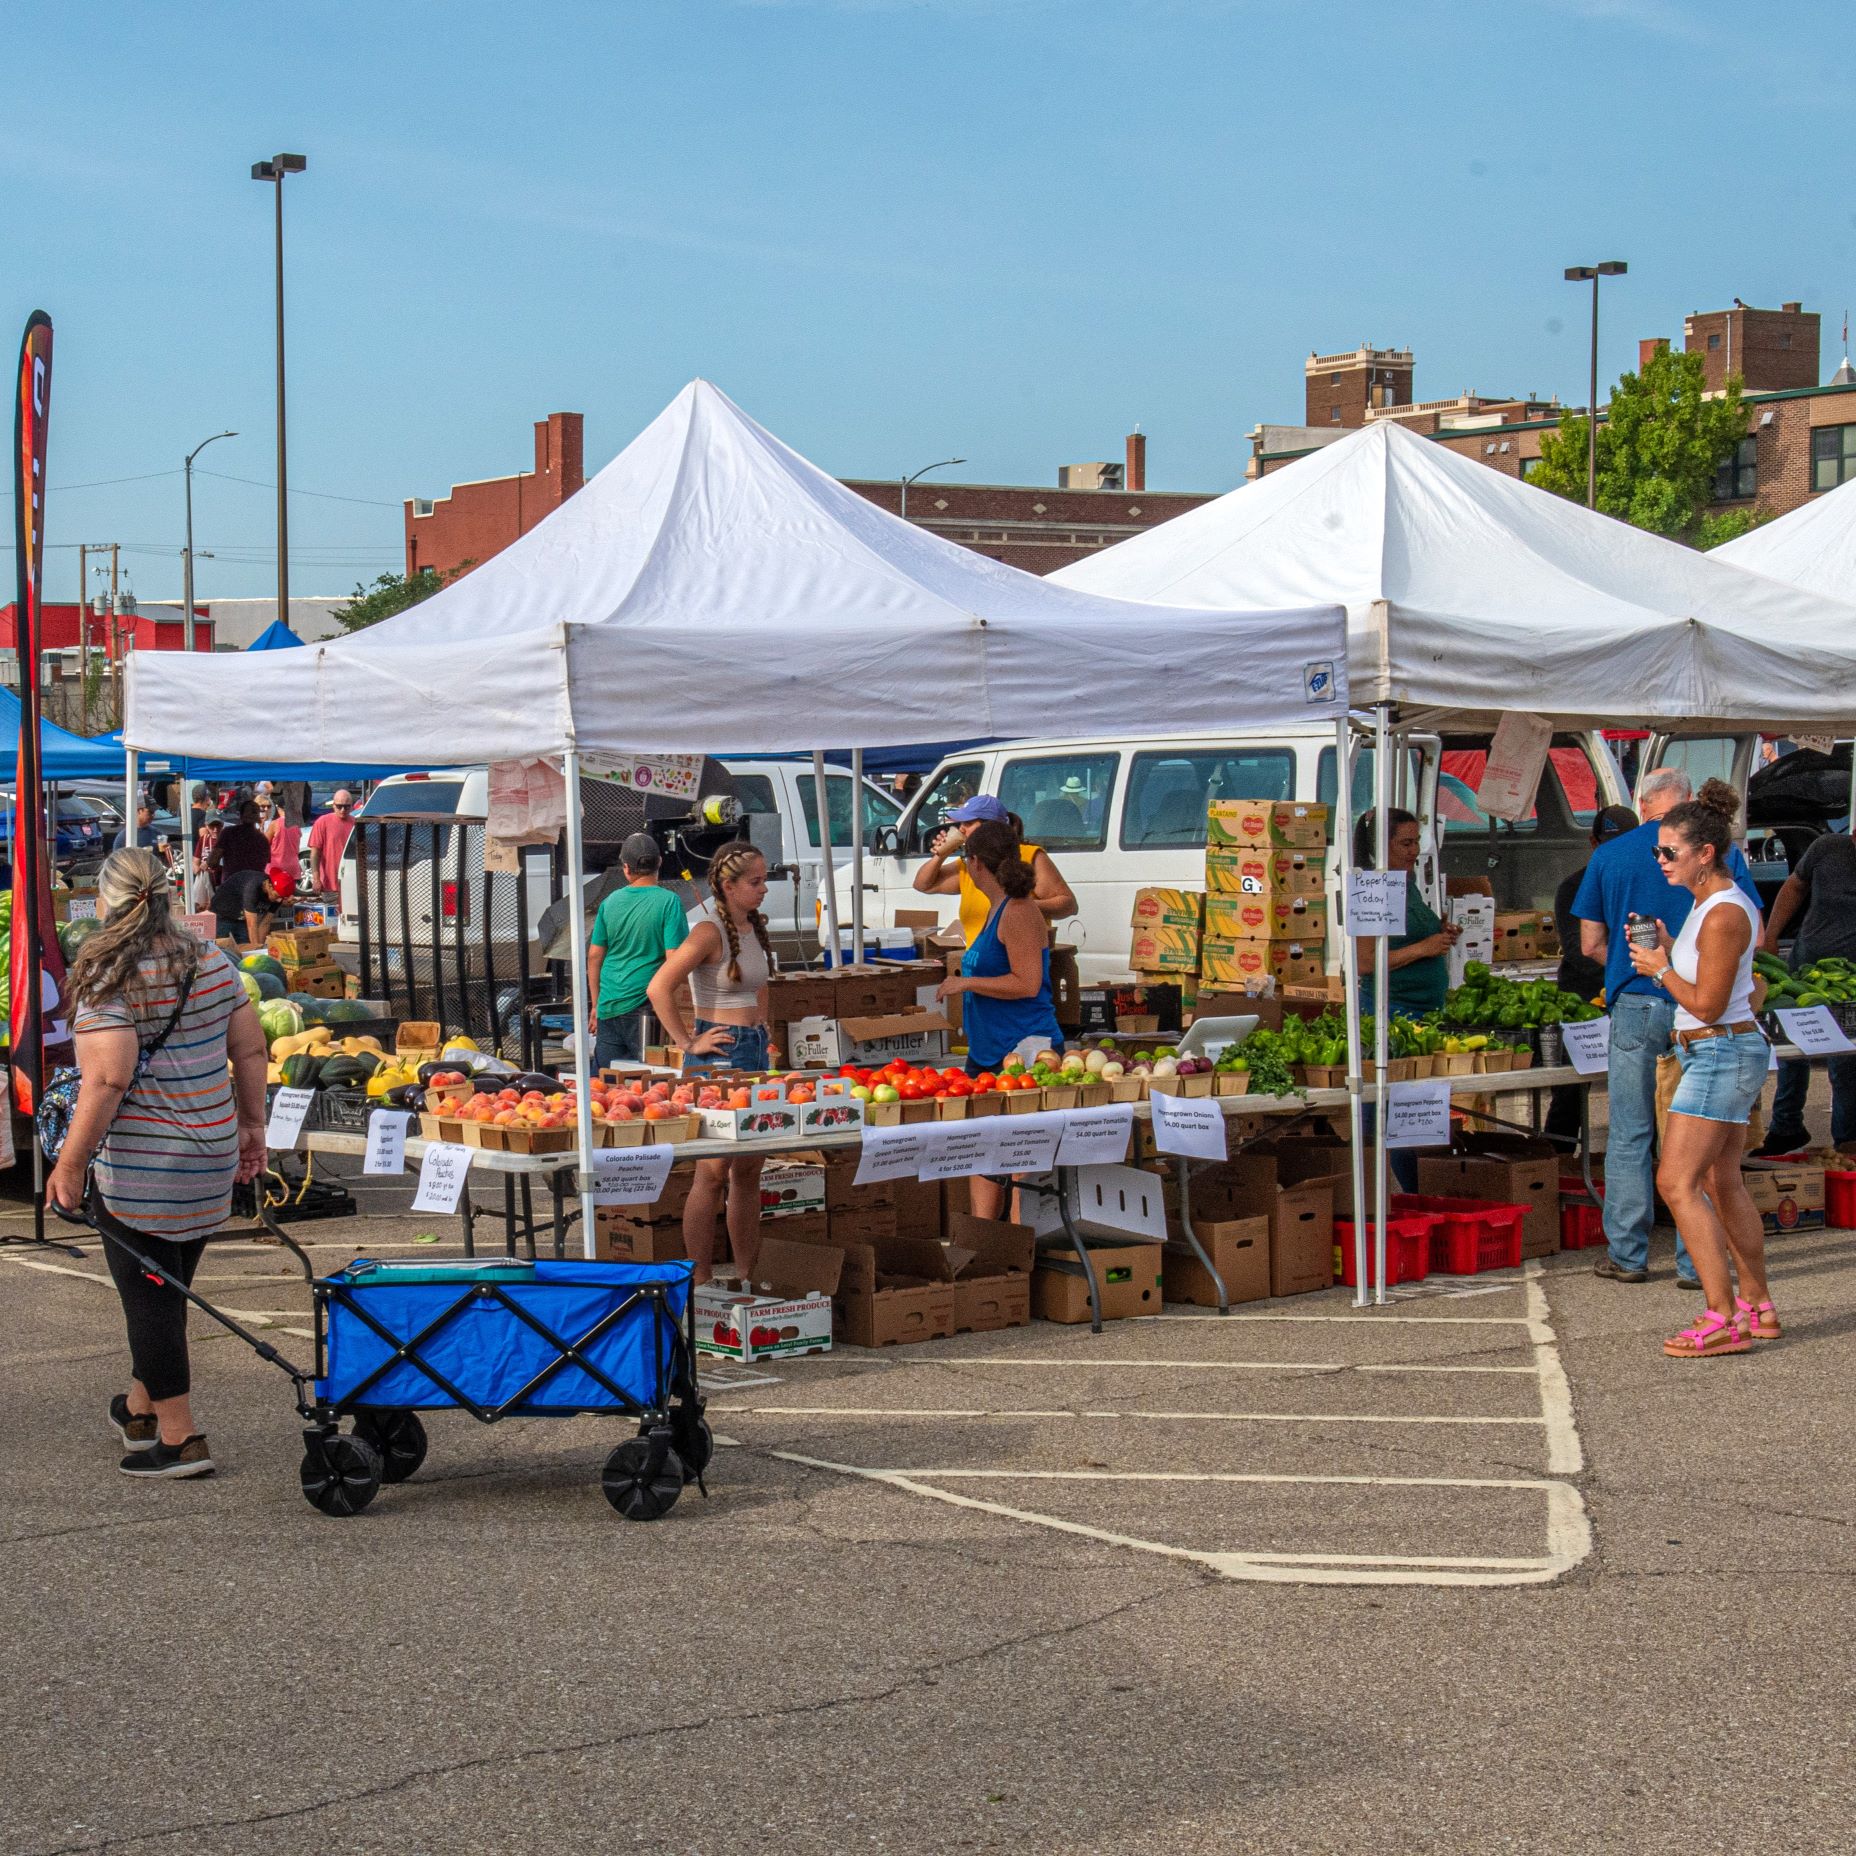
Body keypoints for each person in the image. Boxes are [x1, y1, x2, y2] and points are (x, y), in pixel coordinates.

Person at [47, 847, 267, 1478]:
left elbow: (108, 1080)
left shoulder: (105, 976)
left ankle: (180, 1438)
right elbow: (250, 1049)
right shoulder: (210, 960)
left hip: (146, 1164)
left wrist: (69, 1164)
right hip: (211, 1153)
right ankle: (140, 1407)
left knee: (149, 1300)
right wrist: (252, 1127)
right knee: (166, 1285)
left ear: (107, 901)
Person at [1573, 767, 1763, 1287]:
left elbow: (1591, 942)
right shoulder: (1725, 866)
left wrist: (1648, 965)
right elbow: (1759, 939)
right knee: (1699, 1157)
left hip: (1641, 1003)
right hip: (1696, 1014)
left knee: (1634, 1134)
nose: (1660, 858)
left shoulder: (1610, 855)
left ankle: (1628, 1254)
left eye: (1666, 850)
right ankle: (1692, 1264)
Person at [1628, 783, 1777, 1355]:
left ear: (1705, 853)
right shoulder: (1709, 906)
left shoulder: (1722, 913)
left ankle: (1721, 1316)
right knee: (1721, 1179)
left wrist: (1661, 968)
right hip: (1723, 1049)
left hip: (1718, 1049)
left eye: (1670, 851)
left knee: (1675, 1181)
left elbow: (1709, 1003)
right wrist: (1669, 947)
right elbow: (1747, 987)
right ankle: (1755, 1304)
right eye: (1658, 852)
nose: (1660, 860)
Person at [647, 842, 777, 1283]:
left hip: (752, 1047)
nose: (763, 889)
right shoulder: (706, 932)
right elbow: (659, 987)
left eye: (764, 879)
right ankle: (700, 1276)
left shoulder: (754, 926)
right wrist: (687, 1041)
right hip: (721, 1051)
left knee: (749, 1168)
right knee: (712, 1170)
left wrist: (766, 1028)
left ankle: (746, 1271)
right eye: (755, 882)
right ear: (728, 885)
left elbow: (760, 987)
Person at [938, 818, 1063, 1221]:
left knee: (1019, 1152)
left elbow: (1027, 984)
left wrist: (968, 983)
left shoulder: (1021, 912)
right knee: (983, 1145)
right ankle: (984, 1239)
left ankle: (1016, 1249)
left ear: (975, 864)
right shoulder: (997, 909)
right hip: (989, 1049)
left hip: (1024, 1048)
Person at [1350, 808, 1458, 1191]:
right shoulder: (1374, 887)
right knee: (1396, 1117)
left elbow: (1406, 938)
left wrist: (1439, 933)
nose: (1415, 850)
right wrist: (1426, 948)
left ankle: (1416, 1194)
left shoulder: (1405, 882)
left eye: (1417, 841)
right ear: (1382, 845)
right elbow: (1364, 963)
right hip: (1394, 1016)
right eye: (1406, 843)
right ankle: (1405, 1196)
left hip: (1420, 1015)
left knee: (1414, 1117)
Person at [1544, 803, 1640, 1149]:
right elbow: (1579, 950)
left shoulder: (1646, 880)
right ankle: (1554, 1163)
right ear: (1593, 843)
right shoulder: (1574, 887)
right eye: (1608, 845)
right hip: (1583, 1000)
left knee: (1639, 1090)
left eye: (1626, 845)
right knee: (1569, 1092)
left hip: (1633, 994)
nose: (1617, 854)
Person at [1759, 828, 1856, 1154]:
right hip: (1805, 967)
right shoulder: (1828, 847)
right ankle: (1786, 1127)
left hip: (1847, 981)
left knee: (1845, 1061)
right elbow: (1794, 886)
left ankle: (1846, 1140)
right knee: (1791, 1051)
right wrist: (1772, 934)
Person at [912, 794, 1076, 945]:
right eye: (961, 823)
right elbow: (923, 885)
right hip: (980, 963)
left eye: (968, 823)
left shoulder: (1028, 855)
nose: (961, 829)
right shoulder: (970, 863)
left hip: (1015, 958)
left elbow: (1068, 905)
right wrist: (940, 855)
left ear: (990, 827)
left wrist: (1022, 906)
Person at [588, 832, 688, 1068]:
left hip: (609, 1004)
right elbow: (676, 960)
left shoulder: (609, 902)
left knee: (608, 1081)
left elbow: (594, 956)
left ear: (626, 868)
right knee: (650, 1079)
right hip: (646, 1008)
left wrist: (596, 1004)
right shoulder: (669, 902)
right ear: (660, 862)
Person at [212, 864, 290, 947]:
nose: (278, 900)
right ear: (269, 886)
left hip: (242, 918)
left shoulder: (278, 895)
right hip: (223, 913)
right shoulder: (252, 887)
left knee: (246, 946)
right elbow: (251, 924)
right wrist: (256, 949)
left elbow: (265, 923)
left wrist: (260, 947)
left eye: (281, 898)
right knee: (224, 948)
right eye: (277, 896)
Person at [306, 789, 357, 898]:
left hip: (351, 882)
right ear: (333, 805)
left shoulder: (356, 823)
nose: (343, 809)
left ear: (352, 806)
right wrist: (316, 879)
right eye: (339, 806)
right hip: (329, 884)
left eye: (347, 806)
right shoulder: (322, 822)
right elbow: (315, 854)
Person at [211, 800, 271, 882]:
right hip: (253, 887)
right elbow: (264, 864)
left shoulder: (228, 833)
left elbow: (212, 861)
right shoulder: (263, 840)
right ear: (258, 818)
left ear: (240, 815)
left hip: (231, 885)